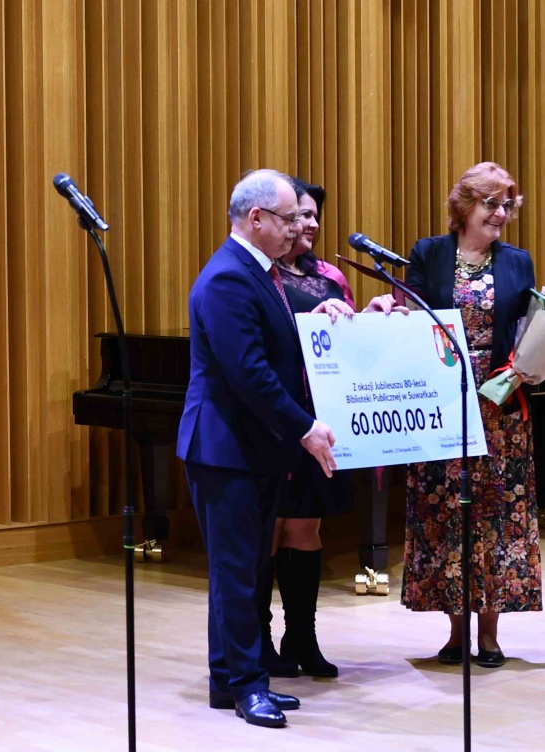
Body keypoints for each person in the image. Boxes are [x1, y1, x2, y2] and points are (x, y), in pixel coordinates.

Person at [401, 162, 545, 668]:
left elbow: (529, 332)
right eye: (492, 204)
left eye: (509, 205)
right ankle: (455, 632)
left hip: (500, 407)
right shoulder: (428, 254)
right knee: (446, 514)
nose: (502, 213)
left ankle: (489, 634)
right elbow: (408, 320)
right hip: (441, 405)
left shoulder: (517, 262)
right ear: (464, 204)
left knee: (497, 517)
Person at [177, 169, 337, 728]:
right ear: (256, 218)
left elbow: (274, 347)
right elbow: (249, 373)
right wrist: (305, 428)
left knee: (245, 568)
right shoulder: (229, 277)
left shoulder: (258, 271)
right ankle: (247, 685)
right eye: (289, 217)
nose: (298, 226)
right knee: (237, 573)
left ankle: (230, 681)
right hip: (225, 450)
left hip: (252, 450)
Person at [263, 176, 404, 679]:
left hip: (320, 419)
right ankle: (258, 641)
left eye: (314, 215)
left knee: (306, 525)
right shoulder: (259, 275)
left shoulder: (329, 275)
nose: (310, 223)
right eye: (300, 214)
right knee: (268, 529)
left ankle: (301, 636)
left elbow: (340, 344)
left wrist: (370, 315)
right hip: (276, 417)